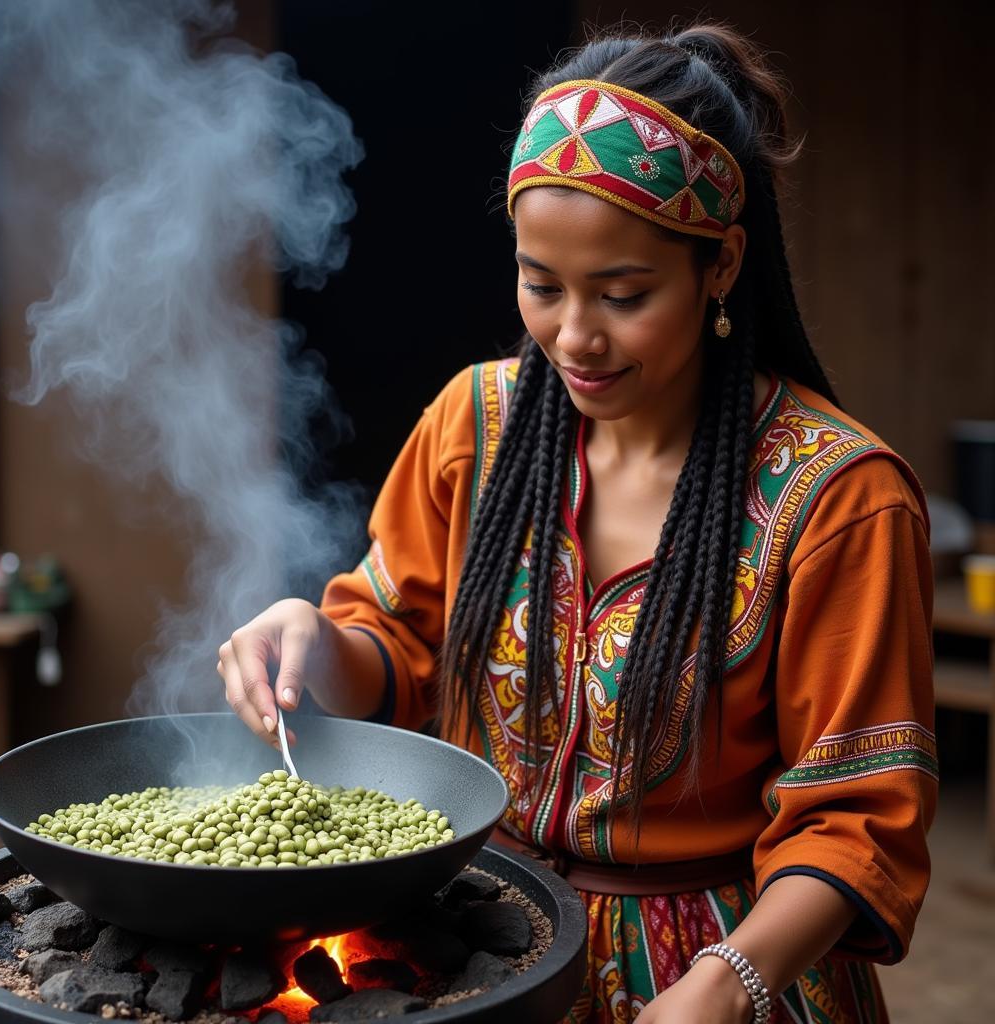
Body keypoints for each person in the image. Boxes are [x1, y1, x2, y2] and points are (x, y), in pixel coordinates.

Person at [217, 23, 936, 1024]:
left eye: (623, 293)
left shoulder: (836, 497)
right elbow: (396, 648)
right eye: (541, 285)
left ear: (720, 264)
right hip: (483, 948)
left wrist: (725, 985)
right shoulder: (473, 426)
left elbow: (855, 819)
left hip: (728, 975)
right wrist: (310, 646)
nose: (573, 336)